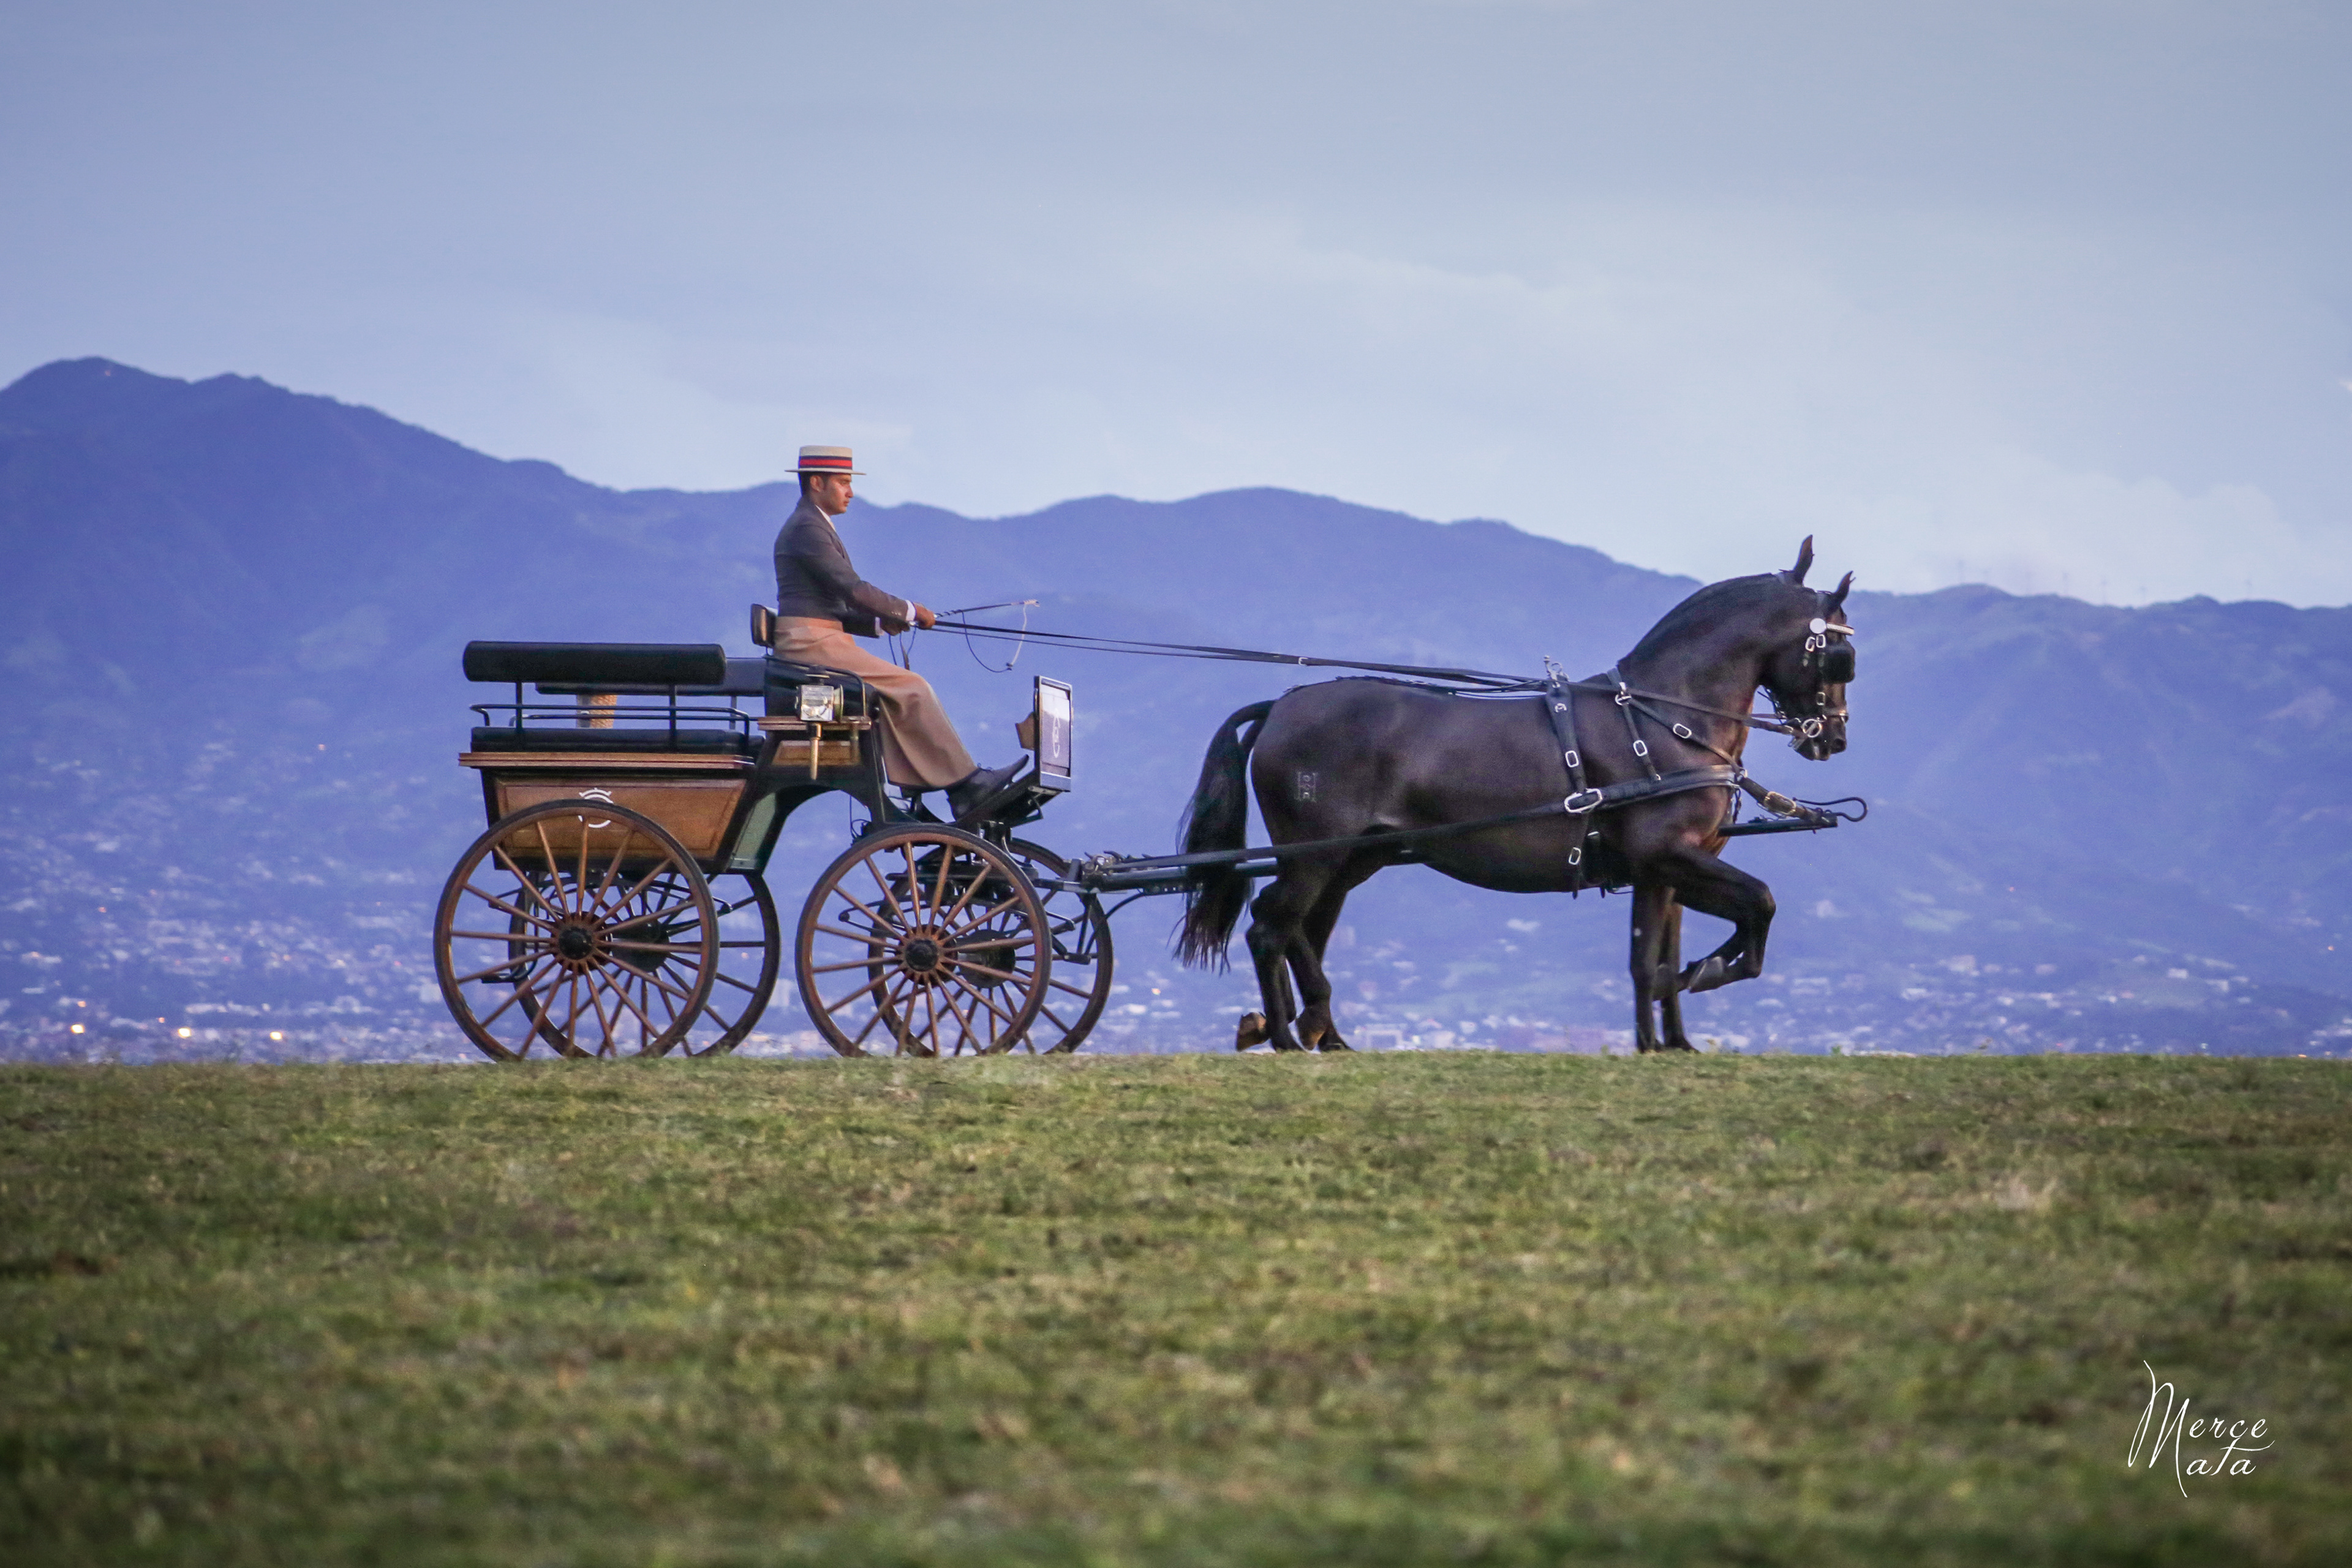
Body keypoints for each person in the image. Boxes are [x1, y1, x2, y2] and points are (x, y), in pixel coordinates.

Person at [769, 445, 1023, 818]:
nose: (850, 492)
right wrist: (909, 610)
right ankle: (965, 787)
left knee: (899, 692)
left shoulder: (811, 524)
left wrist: (878, 623)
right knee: (913, 688)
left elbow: (829, 603)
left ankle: (931, 785)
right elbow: (852, 589)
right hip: (810, 643)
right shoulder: (808, 528)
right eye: (843, 483)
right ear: (817, 483)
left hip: (820, 636)